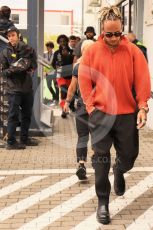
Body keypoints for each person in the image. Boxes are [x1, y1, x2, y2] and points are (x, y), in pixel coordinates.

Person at [78, 6, 151, 224]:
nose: (113, 38)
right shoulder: (91, 51)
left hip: (127, 114)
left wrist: (143, 107)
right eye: (108, 34)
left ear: (122, 30)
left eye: (117, 33)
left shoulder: (132, 51)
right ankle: (103, 202)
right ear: (102, 30)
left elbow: (142, 79)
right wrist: (91, 107)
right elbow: (84, 79)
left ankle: (120, 169)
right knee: (100, 160)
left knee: (129, 155)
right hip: (100, 114)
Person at [0, 26, 38, 149]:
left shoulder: (28, 49)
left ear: (18, 35)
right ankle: (10, 142)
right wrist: (18, 67)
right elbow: (3, 71)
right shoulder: (5, 52)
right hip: (14, 89)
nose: (11, 38)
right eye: (9, 36)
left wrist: (15, 68)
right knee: (13, 115)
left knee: (27, 115)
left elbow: (32, 65)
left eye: (13, 35)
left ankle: (24, 138)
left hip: (27, 88)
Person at [64, 40, 94, 180]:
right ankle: (88, 162)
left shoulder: (80, 66)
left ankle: (87, 162)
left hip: (89, 107)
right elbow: (72, 87)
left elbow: (72, 87)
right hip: (89, 107)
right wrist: (67, 101)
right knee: (89, 136)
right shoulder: (82, 66)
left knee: (88, 137)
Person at [52, 34, 75, 118]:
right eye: (60, 41)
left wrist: (67, 56)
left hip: (70, 76)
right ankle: (64, 110)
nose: (62, 43)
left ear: (67, 41)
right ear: (58, 42)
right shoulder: (56, 53)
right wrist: (56, 67)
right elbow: (53, 64)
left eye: (64, 41)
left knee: (70, 93)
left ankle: (69, 107)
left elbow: (74, 63)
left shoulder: (72, 52)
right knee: (64, 92)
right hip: (60, 76)